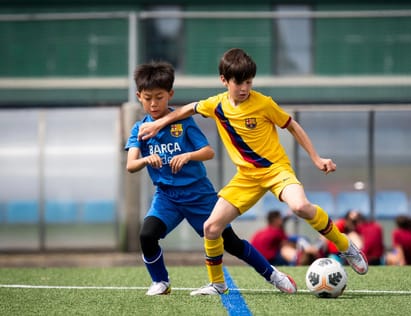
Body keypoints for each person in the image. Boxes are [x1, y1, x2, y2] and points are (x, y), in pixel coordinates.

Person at [138, 48, 368, 295]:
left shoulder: (264, 103)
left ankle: (345, 245)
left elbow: (293, 126)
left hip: (276, 171)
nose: (245, 88)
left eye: (249, 82)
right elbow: (190, 108)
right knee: (211, 228)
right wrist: (160, 122)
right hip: (246, 178)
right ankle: (217, 284)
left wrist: (316, 157)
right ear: (224, 80)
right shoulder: (217, 105)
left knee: (300, 207)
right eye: (239, 82)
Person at [125, 61, 296, 296]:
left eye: (159, 97)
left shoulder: (183, 121)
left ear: (170, 95)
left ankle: (274, 275)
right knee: (147, 235)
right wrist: (147, 159)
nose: (153, 103)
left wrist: (187, 156)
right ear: (139, 97)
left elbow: (208, 151)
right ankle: (161, 282)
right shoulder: (140, 129)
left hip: (199, 196)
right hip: (166, 197)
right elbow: (131, 165)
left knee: (232, 243)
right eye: (147, 98)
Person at [251, 210, 325, 266]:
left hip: (254, 261)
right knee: (287, 247)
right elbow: (290, 241)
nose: (281, 220)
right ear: (276, 220)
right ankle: (305, 257)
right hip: (268, 260)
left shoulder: (260, 232)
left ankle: (309, 253)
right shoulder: (276, 232)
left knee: (290, 243)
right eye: (280, 218)